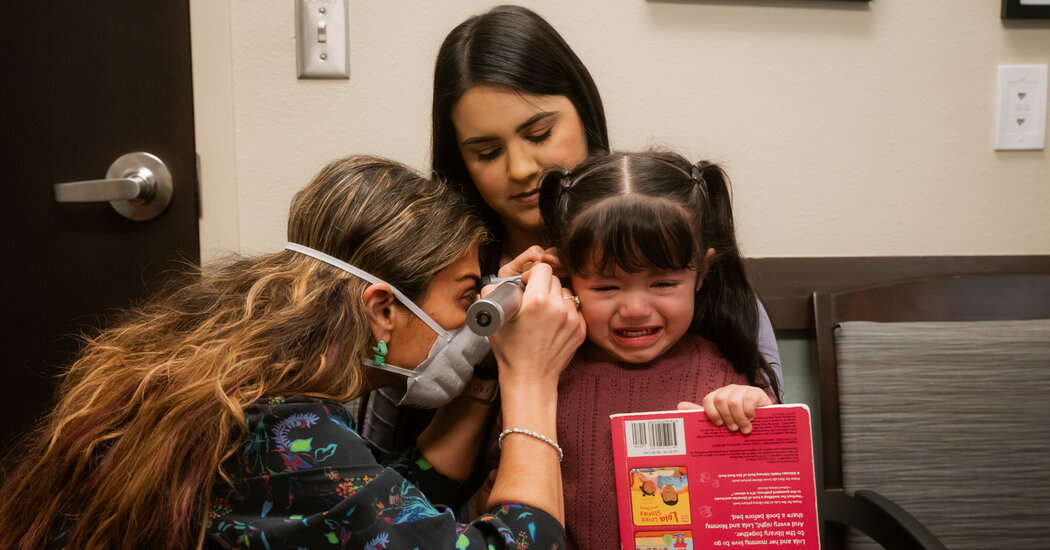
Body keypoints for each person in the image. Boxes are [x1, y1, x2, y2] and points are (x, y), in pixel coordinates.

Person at [0, 155, 585, 549]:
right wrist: (530, 378)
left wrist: (484, 366)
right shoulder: (280, 433)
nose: (471, 316)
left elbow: (377, 513)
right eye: (465, 297)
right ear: (382, 309)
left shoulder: (249, 388)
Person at [429, 4, 783, 390]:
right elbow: (391, 428)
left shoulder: (698, 270)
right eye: (488, 152)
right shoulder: (447, 284)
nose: (521, 169)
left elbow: (768, 413)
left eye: (539, 134)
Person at [528, 150, 778, 549]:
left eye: (663, 284)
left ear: (701, 273)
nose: (634, 309)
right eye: (606, 287)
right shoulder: (546, 373)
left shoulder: (722, 371)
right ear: (566, 276)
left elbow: (770, 495)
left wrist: (755, 414)